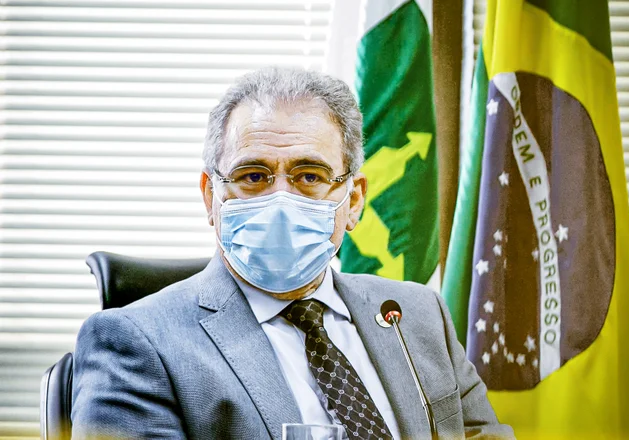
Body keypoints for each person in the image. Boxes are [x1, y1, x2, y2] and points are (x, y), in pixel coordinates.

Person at [71, 67, 514, 439]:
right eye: (253, 176)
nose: (280, 200)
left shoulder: (416, 314)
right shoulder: (133, 344)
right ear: (211, 196)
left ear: (353, 200)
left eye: (309, 176)